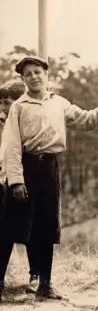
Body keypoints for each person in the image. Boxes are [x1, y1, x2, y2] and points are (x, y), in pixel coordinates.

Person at [0, 56, 98, 302]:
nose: (33, 77)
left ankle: (45, 286)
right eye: (27, 74)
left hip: (50, 168)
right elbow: (12, 147)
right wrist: (17, 181)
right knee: (10, 226)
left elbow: (88, 119)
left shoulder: (59, 103)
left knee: (47, 227)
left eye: (37, 71)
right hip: (26, 166)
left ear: (46, 73)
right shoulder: (19, 107)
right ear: (23, 79)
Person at [0, 80, 40, 296]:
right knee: (4, 232)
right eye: (2, 103)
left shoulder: (27, 122)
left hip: (24, 179)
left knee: (31, 230)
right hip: (2, 181)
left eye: (8, 103)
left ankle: (36, 275)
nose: (5, 108)